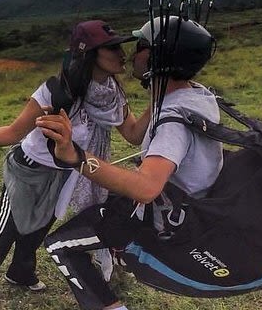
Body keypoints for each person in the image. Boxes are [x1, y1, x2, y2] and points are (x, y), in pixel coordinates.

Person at [0, 20, 151, 310]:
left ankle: (19, 273)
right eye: (111, 48)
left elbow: (133, 134)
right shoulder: (55, 91)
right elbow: (13, 132)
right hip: (29, 170)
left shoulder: (112, 95)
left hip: (64, 173)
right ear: (89, 54)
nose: (122, 53)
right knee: (5, 233)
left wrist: (161, 97)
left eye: (120, 46)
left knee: (37, 230)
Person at [39, 16, 220, 310]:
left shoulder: (173, 120)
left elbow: (147, 187)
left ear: (155, 57)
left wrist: (77, 157)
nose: (132, 55)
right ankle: (118, 253)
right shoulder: (196, 94)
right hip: (185, 206)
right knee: (105, 204)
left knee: (60, 246)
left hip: (166, 220)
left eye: (140, 47)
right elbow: (139, 138)